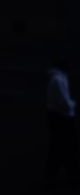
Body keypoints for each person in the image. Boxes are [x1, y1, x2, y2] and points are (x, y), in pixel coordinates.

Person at [45, 57, 80, 188]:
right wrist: (73, 104)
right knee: (66, 146)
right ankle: (70, 174)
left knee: (59, 146)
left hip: (56, 116)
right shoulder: (59, 80)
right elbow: (64, 103)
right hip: (62, 118)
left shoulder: (56, 79)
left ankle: (54, 175)